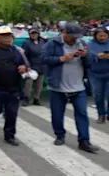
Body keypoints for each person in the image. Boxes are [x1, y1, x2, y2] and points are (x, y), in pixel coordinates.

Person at [41, 23, 98, 153]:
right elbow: (43, 58)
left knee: (82, 114)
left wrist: (86, 56)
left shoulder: (82, 42)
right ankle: (60, 135)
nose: (75, 39)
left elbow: (92, 61)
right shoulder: (52, 43)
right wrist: (61, 58)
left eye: (77, 37)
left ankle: (84, 141)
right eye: (72, 36)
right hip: (58, 86)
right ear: (64, 33)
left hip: (78, 86)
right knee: (57, 114)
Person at [87, 26, 109, 123]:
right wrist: (97, 56)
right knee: (98, 95)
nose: (103, 38)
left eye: (105, 35)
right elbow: (87, 58)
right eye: (100, 36)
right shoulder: (90, 44)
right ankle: (101, 114)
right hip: (95, 73)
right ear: (95, 36)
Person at [21, 28, 46, 106]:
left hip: (41, 65)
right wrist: (27, 65)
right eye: (32, 33)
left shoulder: (43, 41)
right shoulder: (26, 43)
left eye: (35, 33)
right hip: (31, 65)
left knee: (39, 83)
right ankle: (26, 98)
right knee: (29, 83)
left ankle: (36, 98)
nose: (34, 35)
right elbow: (24, 55)